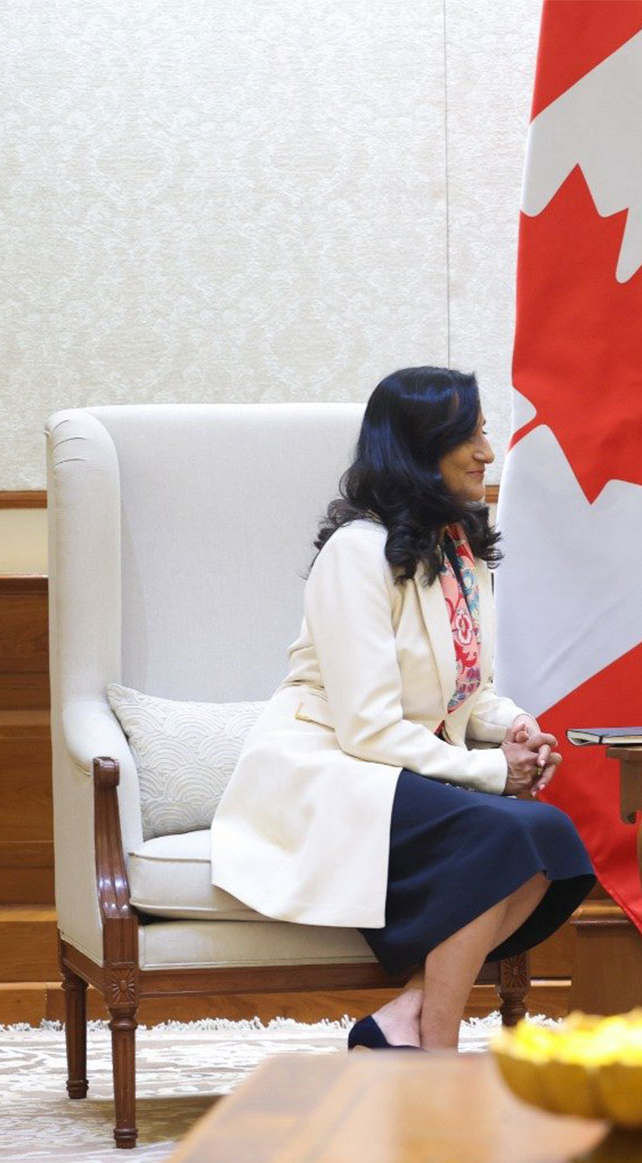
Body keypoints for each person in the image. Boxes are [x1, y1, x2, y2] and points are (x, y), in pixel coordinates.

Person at [211, 366, 595, 1050]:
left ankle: (403, 1026)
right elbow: (367, 726)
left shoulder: (459, 551)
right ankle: (439, 1046)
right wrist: (491, 772)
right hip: (330, 769)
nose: (487, 452)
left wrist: (514, 727)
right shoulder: (355, 553)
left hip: (398, 769)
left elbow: (466, 692)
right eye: (469, 436)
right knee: (507, 835)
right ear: (419, 447)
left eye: (483, 433)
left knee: (554, 840)